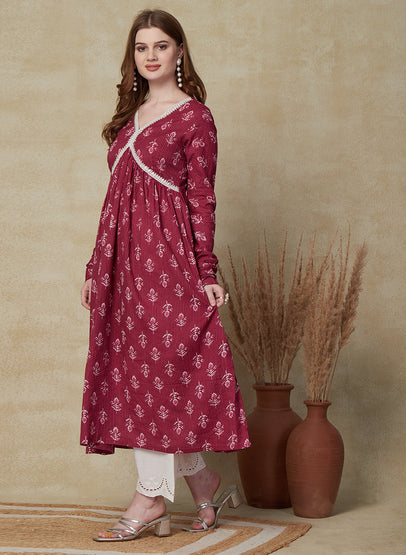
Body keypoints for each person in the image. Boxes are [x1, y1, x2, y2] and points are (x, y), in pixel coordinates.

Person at [80, 8, 250, 542]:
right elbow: (114, 202)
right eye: (141, 47)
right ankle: (203, 482)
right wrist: (95, 266)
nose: (150, 55)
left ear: (179, 52)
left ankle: (151, 498)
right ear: (132, 56)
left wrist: (206, 271)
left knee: (161, 373)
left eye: (161, 45)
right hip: (122, 264)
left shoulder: (195, 117)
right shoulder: (128, 118)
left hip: (168, 261)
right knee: (137, 374)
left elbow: (201, 197)